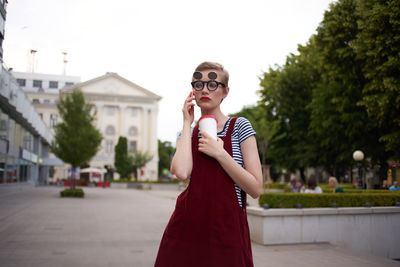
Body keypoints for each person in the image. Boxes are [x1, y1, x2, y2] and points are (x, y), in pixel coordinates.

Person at [155, 62, 263, 267]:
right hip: (187, 230)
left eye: (212, 84)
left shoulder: (240, 126)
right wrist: (187, 122)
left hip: (226, 230)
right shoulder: (187, 133)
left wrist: (220, 154)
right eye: (198, 84)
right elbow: (181, 172)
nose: (204, 89)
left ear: (225, 92)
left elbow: (256, 188)